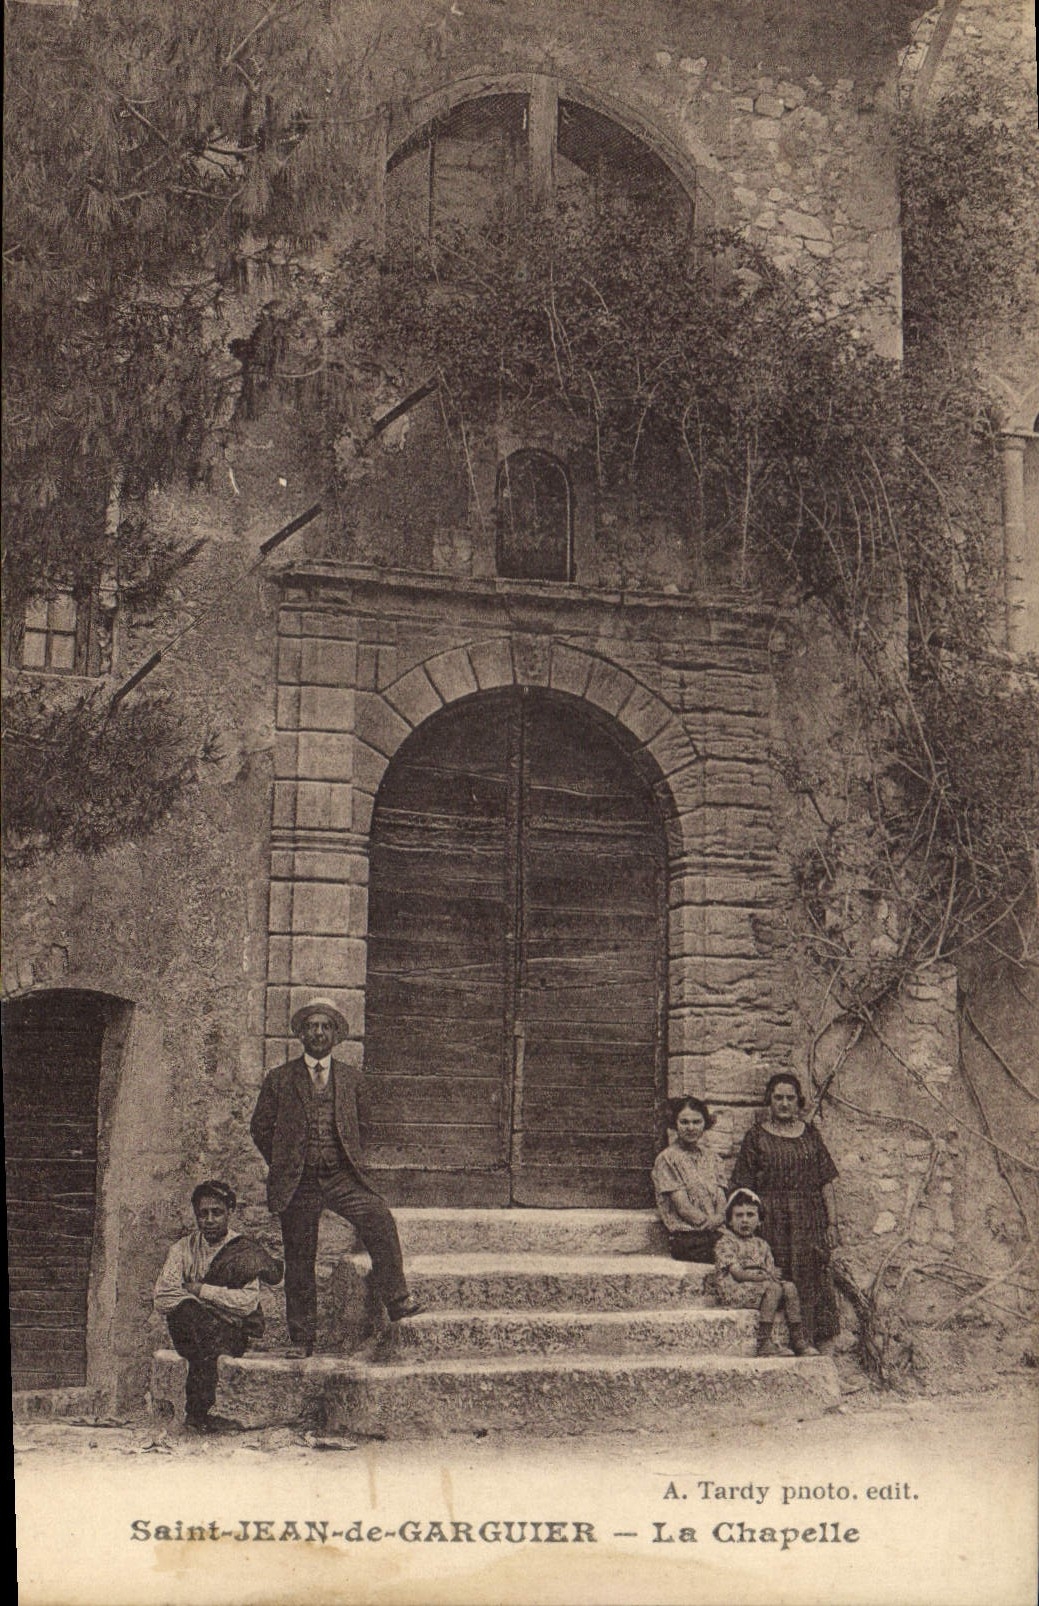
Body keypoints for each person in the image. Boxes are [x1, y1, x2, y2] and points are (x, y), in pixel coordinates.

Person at [250, 997, 423, 1357]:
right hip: (299, 1181)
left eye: (325, 1026)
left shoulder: (352, 1080)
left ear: (336, 1035)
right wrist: (286, 1162)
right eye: (311, 1026)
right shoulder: (280, 1080)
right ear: (301, 1034)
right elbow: (260, 1128)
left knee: (378, 1215)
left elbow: (364, 1127)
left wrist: (349, 1160)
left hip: (340, 1177)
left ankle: (397, 1298)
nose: (318, 1032)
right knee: (300, 1258)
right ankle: (302, 1339)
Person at [153, 1180, 284, 1434]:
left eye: (217, 1212)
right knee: (188, 1315)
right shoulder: (182, 1250)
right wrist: (210, 1306)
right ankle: (201, 1415)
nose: (210, 1220)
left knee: (203, 1341)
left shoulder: (244, 1252)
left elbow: (246, 1304)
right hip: (191, 1328)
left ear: (230, 1213)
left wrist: (201, 1290)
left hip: (229, 1334)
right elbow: (163, 1296)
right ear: (196, 1216)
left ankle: (197, 1415)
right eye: (203, 1214)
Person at [728, 1070, 840, 1349]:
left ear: (798, 1102)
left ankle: (811, 1342)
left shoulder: (810, 1135)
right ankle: (775, 1343)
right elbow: (742, 1187)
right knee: (777, 1278)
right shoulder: (756, 1137)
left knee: (810, 1278)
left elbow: (826, 1181)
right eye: (778, 1098)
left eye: (790, 1098)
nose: (784, 1103)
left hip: (808, 1218)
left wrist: (832, 1223)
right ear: (769, 1101)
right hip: (772, 1219)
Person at [712, 1188, 818, 1357]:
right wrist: (764, 1277)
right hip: (735, 1289)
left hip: (760, 1286)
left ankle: (798, 1339)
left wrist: (771, 1276)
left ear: (759, 1220)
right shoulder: (726, 1243)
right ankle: (763, 1341)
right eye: (739, 1215)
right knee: (774, 1289)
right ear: (730, 1221)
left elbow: (771, 1271)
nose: (745, 1220)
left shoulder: (762, 1244)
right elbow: (737, 1274)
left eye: (750, 1215)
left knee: (789, 1287)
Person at [651, 1096, 727, 1261]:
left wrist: (720, 1217)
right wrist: (712, 1224)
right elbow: (683, 1207)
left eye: (697, 1122)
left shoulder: (713, 1158)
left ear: (705, 1124)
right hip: (689, 1237)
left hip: (716, 1232)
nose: (691, 1128)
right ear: (675, 1124)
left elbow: (721, 1198)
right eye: (684, 1122)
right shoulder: (667, 1159)